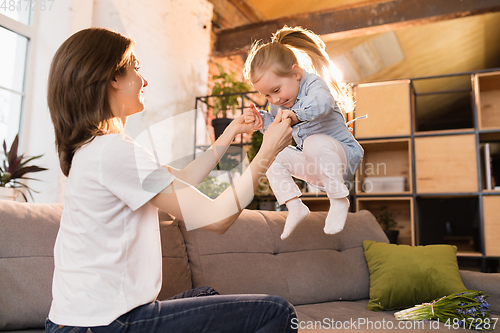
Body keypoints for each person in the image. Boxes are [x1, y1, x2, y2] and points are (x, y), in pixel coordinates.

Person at [45, 27, 297, 333]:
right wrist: (268, 149)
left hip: (74, 324)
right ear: (112, 78)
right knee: (276, 313)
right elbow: (217, 219)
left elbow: (183, 180)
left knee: (205, 296)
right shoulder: (113, 151)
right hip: (102, 326)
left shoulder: (97, 149)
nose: (144, 80)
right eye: (135, 68)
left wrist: (230, 133)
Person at [243, 26, 364, 239]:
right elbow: (277, 128)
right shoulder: (279, 103)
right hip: (316, 168)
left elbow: (323, 104)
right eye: (267, 95)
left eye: (277, 90)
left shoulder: (314, 84)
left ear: (296, 73)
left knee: (314, 143)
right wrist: (263, 121)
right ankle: (295, 206)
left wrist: (295, 115)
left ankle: (338, 200)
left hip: (343, 158)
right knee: (272, 155)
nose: (275, 100)